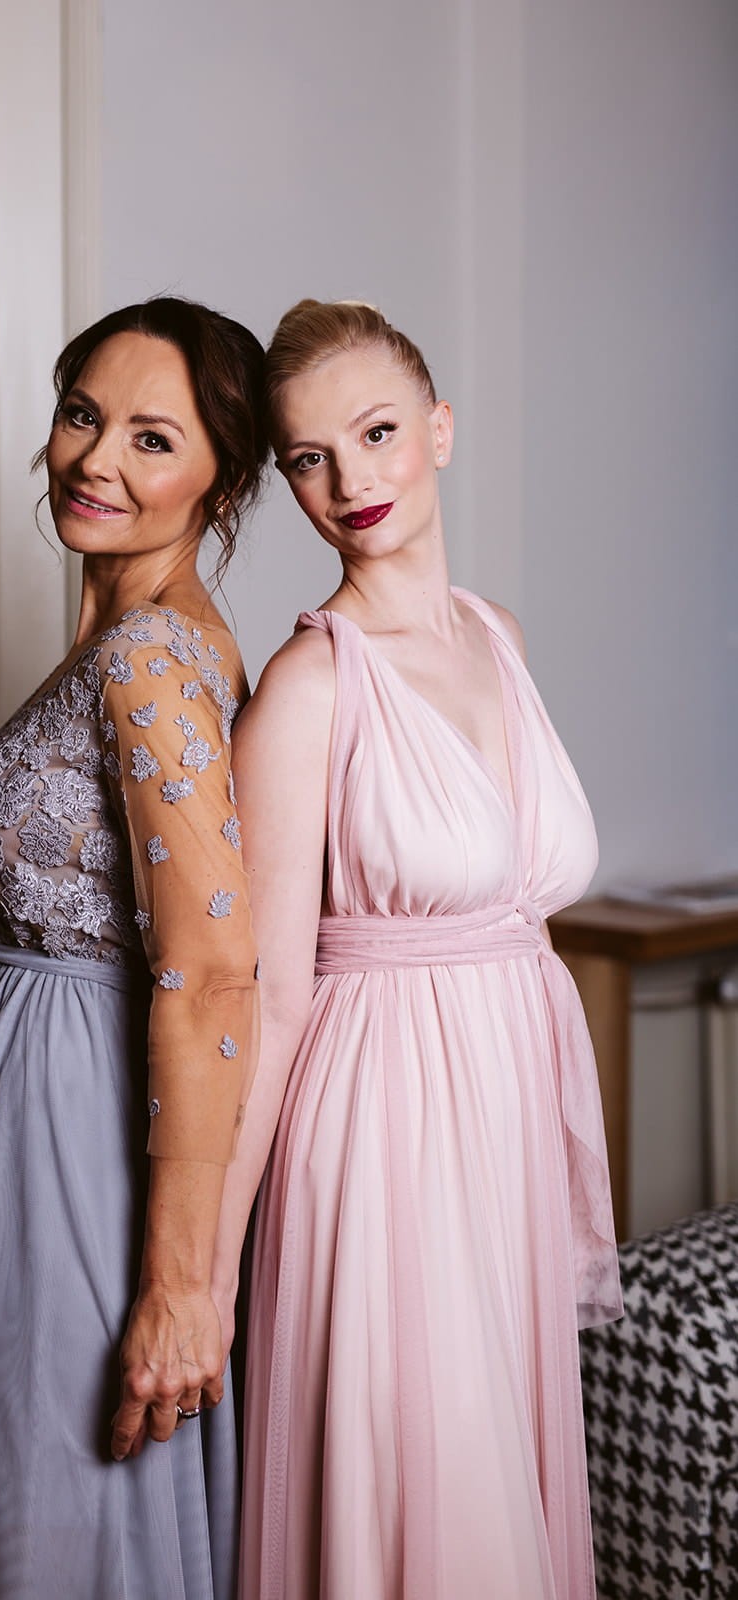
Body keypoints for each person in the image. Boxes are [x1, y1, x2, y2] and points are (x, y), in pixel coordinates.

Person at [0, 296, 268, 1600]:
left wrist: (181, 1284)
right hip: (17, 1114)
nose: (96, 459)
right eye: (85, 414)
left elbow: (212, 975)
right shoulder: (114, 642)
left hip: (70, 1132)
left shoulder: (152, 659)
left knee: (46, 1506)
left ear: (221, 480)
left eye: (153, 438)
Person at [210, 299, 622, 1599]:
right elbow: (269, 1001)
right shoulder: (309, 687)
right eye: (310, 459)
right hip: (381, 1134)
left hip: (503, 1124)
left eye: (378, 433)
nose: (351, 481)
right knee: (429, 1514)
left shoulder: (499, 634)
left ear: (439, 429)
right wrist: (206, 1273)